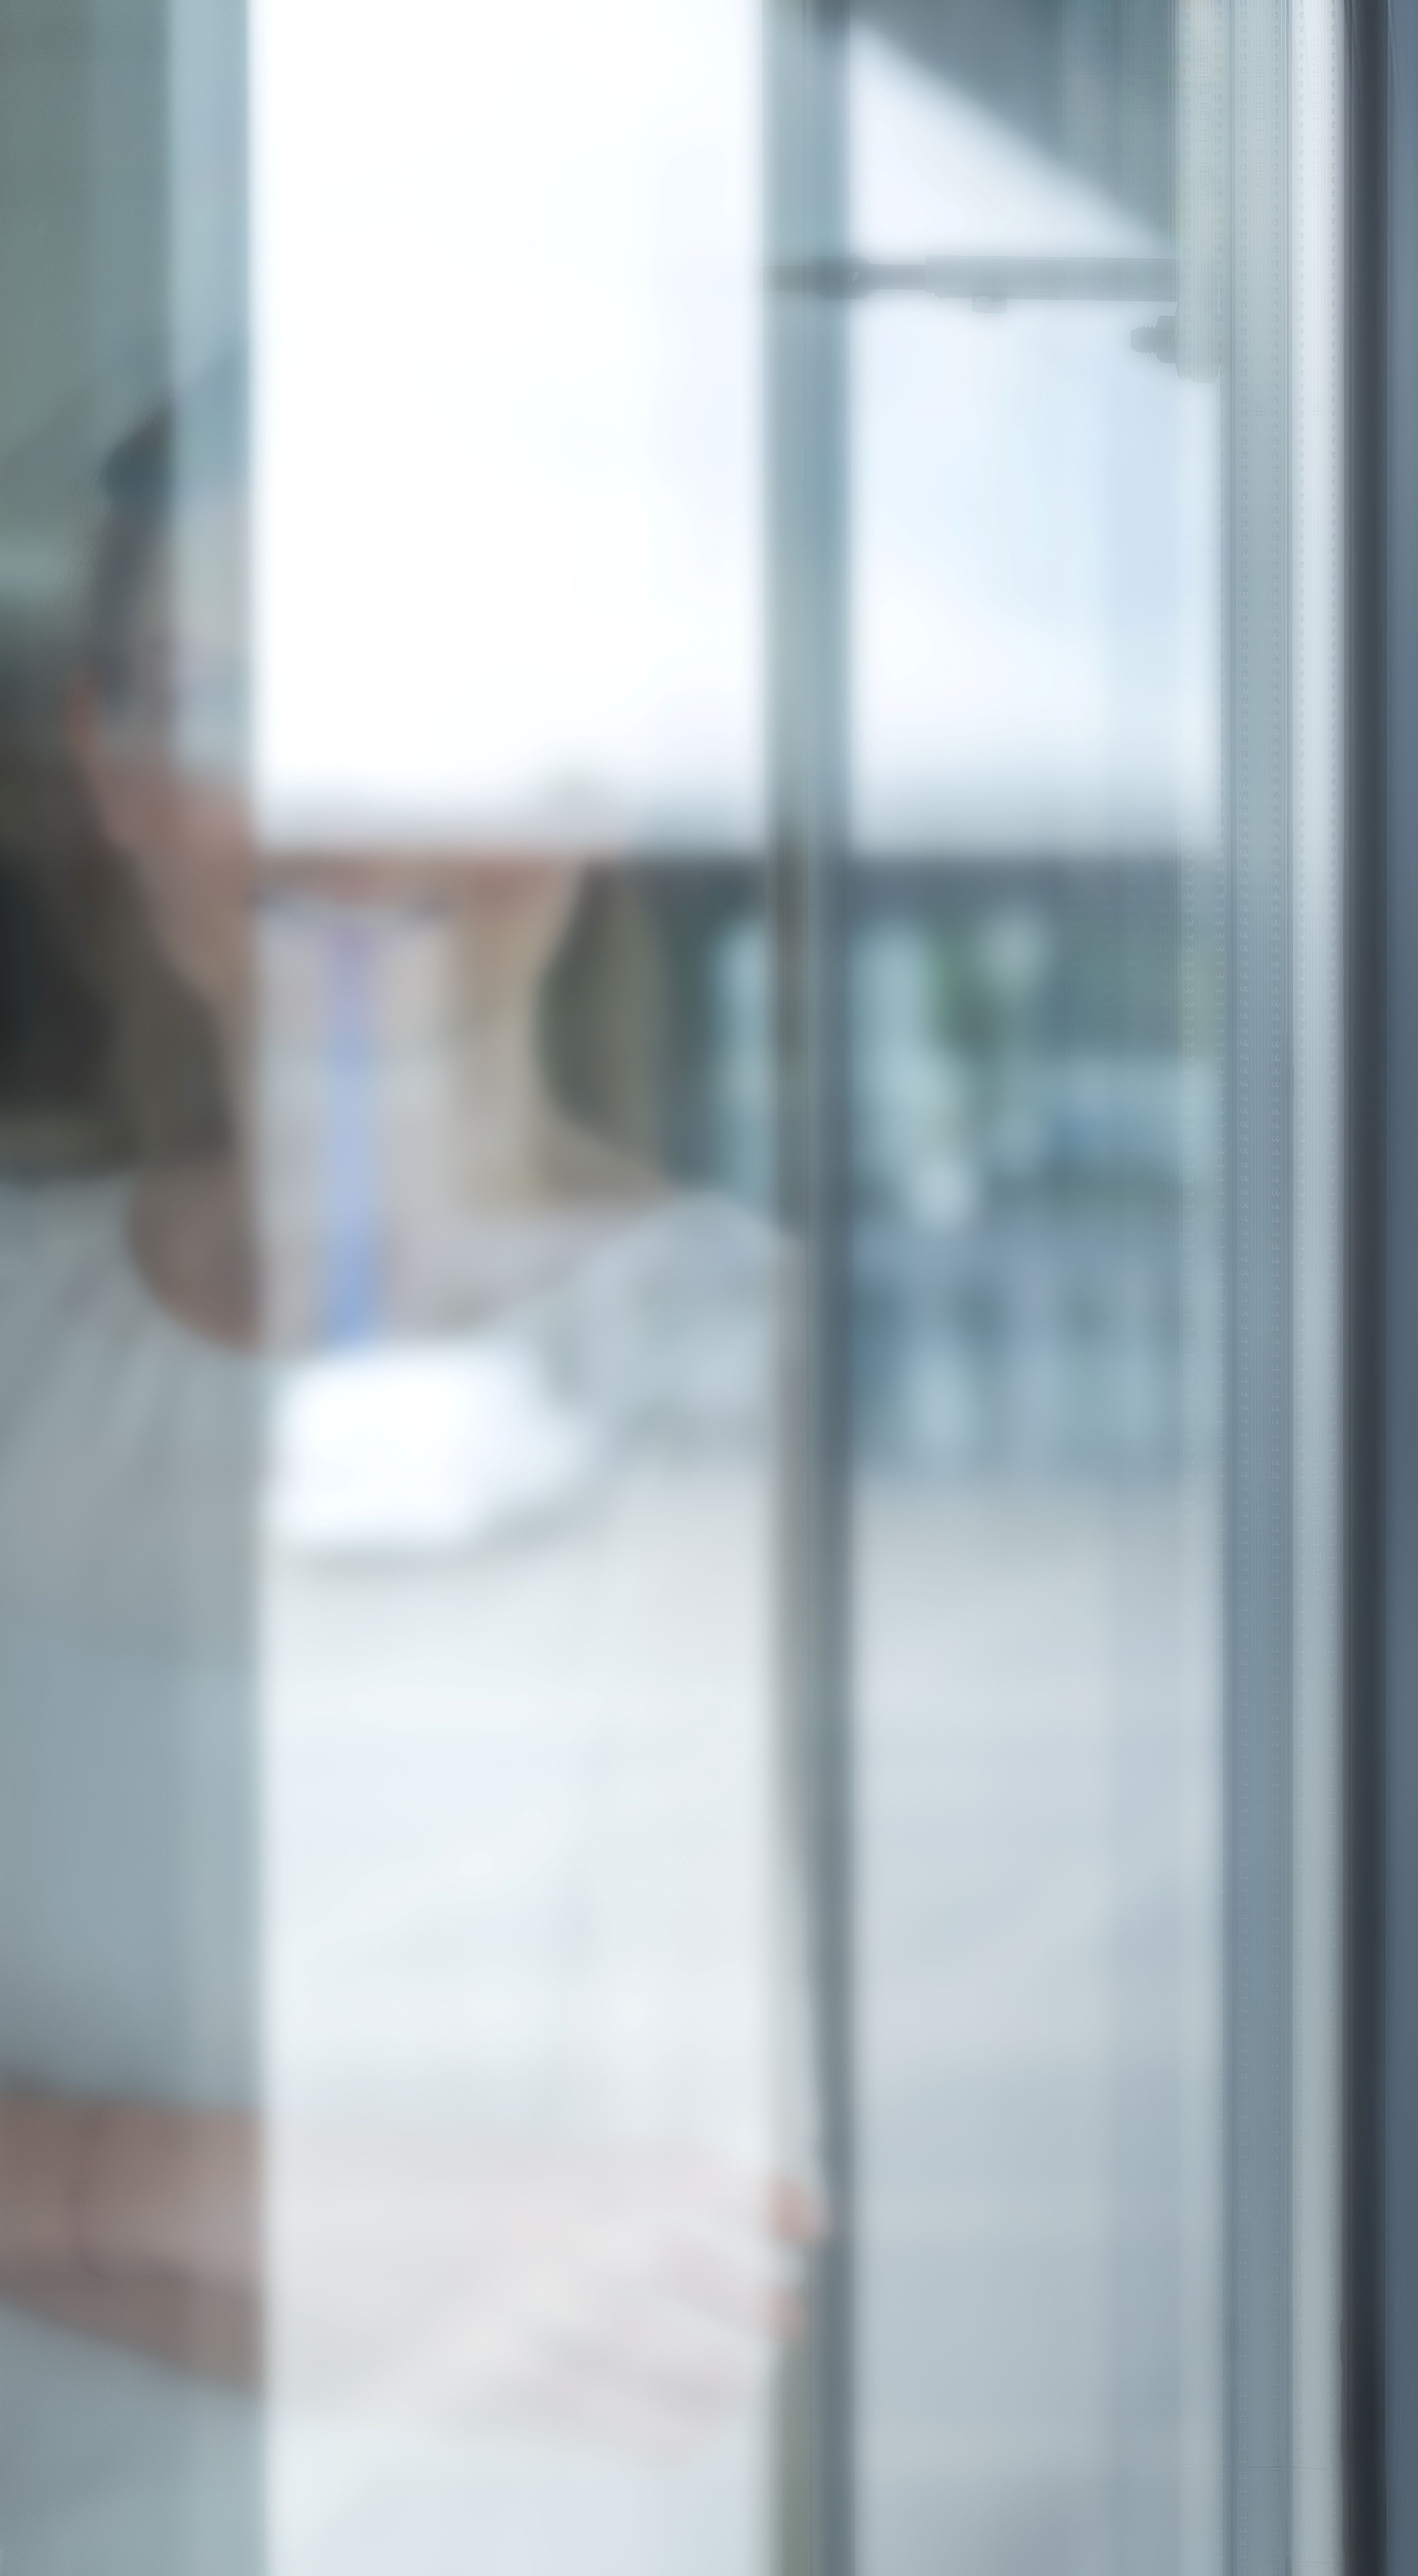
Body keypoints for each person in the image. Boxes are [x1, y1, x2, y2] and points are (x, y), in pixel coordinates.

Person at [0, 392, 800, 2576]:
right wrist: (283, 2207)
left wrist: (43, 2184)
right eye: (247, 698)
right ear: (113, 761)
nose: (345, 805)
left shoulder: (792, 1393)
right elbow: (504, 2275)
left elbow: (686, 2301)